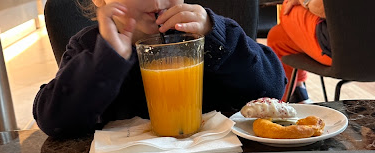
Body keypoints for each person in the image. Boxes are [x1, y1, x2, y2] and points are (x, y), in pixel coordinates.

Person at [33, 0, 286, 137]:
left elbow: (272, 87)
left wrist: (217, 36)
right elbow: (55, 122)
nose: (157, 1)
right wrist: (104, 63)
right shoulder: (89, 48)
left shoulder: (208, 36)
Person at [267, 0, 331, 103]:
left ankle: (283, 103)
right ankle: (297, 92)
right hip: (358, 55)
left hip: (339, 51)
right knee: (277, 37)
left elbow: (327, 8)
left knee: (288, 5)